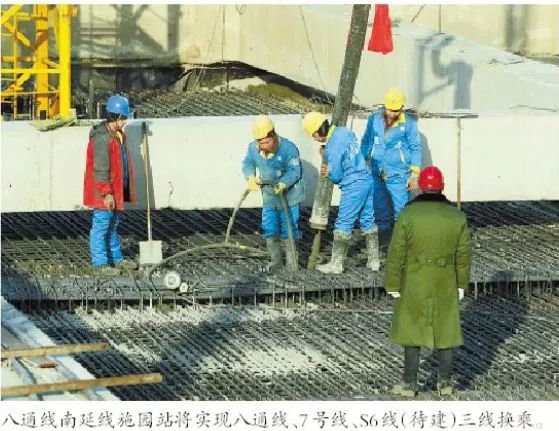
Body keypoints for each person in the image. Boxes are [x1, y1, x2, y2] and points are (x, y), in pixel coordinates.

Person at [384, 166, 472, 397]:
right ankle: (445, 383)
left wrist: (393, 284)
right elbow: (464, 254)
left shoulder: (408, 215)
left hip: (415, 278)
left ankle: (409, 384)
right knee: (446, 330)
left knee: (411, 330)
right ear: (442, 187)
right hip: (445, 279)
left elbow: (396, 252)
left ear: (420, 188)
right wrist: (461, 283)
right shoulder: (457, 216)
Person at [302, 111, 380, 274]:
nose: (314, 139)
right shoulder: (343, 131)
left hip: (353, 185)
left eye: (313, 135)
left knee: (344, 222)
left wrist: (328, 170)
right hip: (366, 179)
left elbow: (336, 175)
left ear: (318, 131)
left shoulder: (332, 148)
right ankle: (374, 261)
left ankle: (336, 264)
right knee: (367, 220)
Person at [83, 95, 138, 276]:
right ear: (115, 117)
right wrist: (107, 194)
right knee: (101, 226)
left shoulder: (118, 135)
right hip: (104, 192)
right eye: (124, 117)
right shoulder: (102, 139)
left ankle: (116, 259)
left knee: (112, 225)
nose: (125, 121)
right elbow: (100, 170)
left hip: (115, 190)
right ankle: (100, 263)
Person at [360, 89, 422, 250]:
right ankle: (384, 242)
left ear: (402, 108)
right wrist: (362, 161)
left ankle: (401, 245)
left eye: (396, 110)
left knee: (400, 210)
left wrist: (415, 174)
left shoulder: (409, 123)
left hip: (398, 174)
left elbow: (415, 147)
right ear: (385, 106)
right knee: (380, 208)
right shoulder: (374, 119)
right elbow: (366, 140)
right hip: (377, 172)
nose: (393, 113)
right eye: (390, 110)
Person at [242, 115, 305, 271]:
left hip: (289, 197)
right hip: (270, 197)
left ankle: (292, 265)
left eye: (267, 142)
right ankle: (276, 262)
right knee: (269, 228)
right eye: (261, 143)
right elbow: (248, 163)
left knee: (289, 229)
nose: (264, 146)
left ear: (274, 135)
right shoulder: (253, 148)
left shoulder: (288, 148)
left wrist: (284, 183)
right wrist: (250, 177)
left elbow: (295, 171)